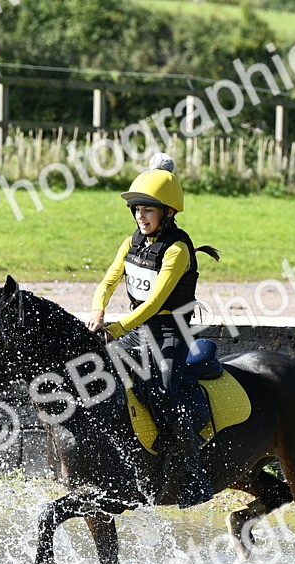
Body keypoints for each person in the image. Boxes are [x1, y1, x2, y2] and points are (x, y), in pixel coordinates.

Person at [86, 153, 218, 507]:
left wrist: (115, 328)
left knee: (163, 395)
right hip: (135, 333)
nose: (140, 216)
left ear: (168, 213)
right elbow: (109, 280)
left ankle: (193, 476)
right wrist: (98, 311)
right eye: (137, 210)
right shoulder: (132, 242)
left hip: (168, 336)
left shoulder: (177, 250)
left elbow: (155, 304)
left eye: (148, 210)